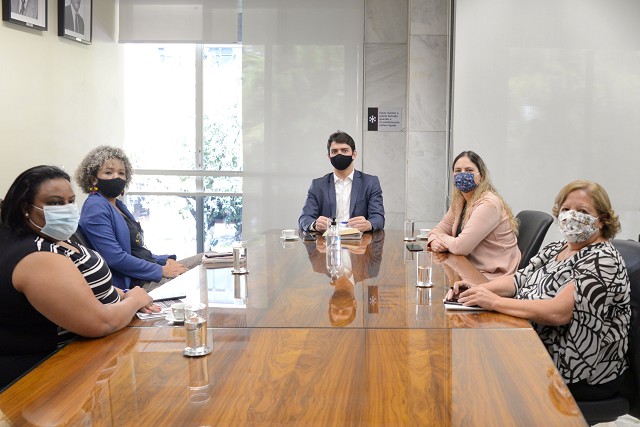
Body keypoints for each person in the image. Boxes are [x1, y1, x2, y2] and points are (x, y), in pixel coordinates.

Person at [450, 180, 630, 401]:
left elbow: (558, 312)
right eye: (566, 209)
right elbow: (519, 280)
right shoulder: (558, 248)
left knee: (480, 372)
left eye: (582, 211)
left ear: (601, 220)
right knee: (469, 354)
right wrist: (478, 289)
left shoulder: (602, 260)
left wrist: (493, 302)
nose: (571, 216)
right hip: (535, 346)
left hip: (578, 370)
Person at [0, 166, 154, 389]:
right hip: (48, 376)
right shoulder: (37, 258)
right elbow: (101, 323)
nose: (66, 209)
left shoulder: (50, 235)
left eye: (70, 201)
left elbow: (79, 285)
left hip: (95, 349)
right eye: (54, 203)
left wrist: (121, 294)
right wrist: (136, 300)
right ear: (25, 208)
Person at [75, 146, 188, 290]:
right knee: (198, 271)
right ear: (93, 179)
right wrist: (161, 270)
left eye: (121, 173)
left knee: (208, 259)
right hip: (133, 284)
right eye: (108, 172)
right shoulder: (95, 206)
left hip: (146, 271)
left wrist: (165, 261)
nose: (116, 177)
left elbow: (136, 250)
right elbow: (115, 258)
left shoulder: (119, 205)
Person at [427, 151, 520, 280]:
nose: (463, 175)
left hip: (492, 276)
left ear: (481, 176)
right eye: (458, 171)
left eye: (469, 170)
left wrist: (440, 237)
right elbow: (438, 229)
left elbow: (460, 247)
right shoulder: (460, 201)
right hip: (468, 268)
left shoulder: (488, 204)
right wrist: (434, 240)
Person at [298, 131, 385, 233]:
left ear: (354, 154)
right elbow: (304, 218)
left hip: (360, 240)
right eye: (334, 151)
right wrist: (315, 224)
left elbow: (378, 218)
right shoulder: (317, 185)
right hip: (327, 240)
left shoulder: (370, 182)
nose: (339, 154)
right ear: (329, 156)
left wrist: (368, 224)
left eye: (344, 150)